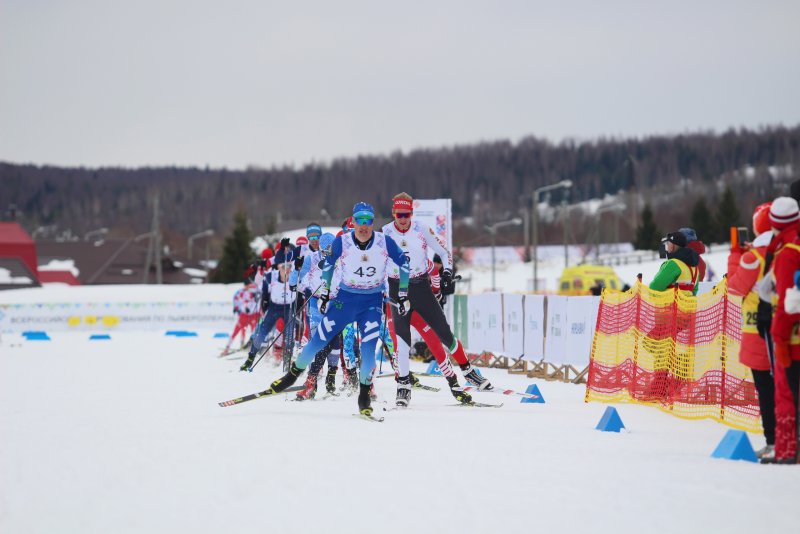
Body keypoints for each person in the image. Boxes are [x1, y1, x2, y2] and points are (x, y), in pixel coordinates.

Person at [264, 202, 410, 418]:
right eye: (359, 220)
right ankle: (292, 376)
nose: (363, 225)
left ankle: (364, 395)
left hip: (371, 302)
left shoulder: (384, 241)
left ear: (372, 223)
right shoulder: (343, 241)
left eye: (368, 220)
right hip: (345, 299)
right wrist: (324, 294)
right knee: (318, 340)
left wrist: (404, 293)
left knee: (369, 351)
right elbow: (328, 264)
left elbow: (405, 263)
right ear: (353, 221)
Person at [382, 192, 490, 407]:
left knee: (444, 333)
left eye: (407, 214)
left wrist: (447, 273)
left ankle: (468, 371)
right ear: (393, 213)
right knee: (402, 340)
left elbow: (443, 251)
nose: (403, 219)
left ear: (412, 213)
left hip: (420, 287)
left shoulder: (420, 228)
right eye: (399, 214)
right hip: (396, 289)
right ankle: (403, 386)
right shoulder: (385, 232)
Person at [726, 202, 776, 460]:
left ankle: (773, 442)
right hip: (786, 329)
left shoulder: (752, 257)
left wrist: (735, 255)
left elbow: (734, 287)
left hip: (758, 333)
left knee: (767, 393)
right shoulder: (789, 250)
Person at [764, 197, 800, 464]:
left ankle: (789, 449)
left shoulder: (788, 254)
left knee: (787, 392)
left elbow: (789, 300)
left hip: (789, 336)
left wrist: (778, 334)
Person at [240, 240, 300, 371]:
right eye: (284, 267)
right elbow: (260, 286)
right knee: (262, 333)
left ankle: (287, 359)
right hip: (274, 307)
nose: (287, 270)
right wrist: (259, 269)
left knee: (290, 335)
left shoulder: (296, 275)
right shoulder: (271, 276)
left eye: (289, 266)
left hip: (289, 307)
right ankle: (250, 359)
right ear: (278, 266)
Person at [222, 280, 260, 355]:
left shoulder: (255, 289)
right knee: (238, 330)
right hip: (245, 315)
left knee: (254, 331)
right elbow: (239, 300)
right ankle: (229, 347)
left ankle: (254, 349)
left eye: (248, 286)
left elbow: (257, 300)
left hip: (253, 315)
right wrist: (236, 308)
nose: (247, 287)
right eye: (246, 286)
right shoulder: (242, 292)